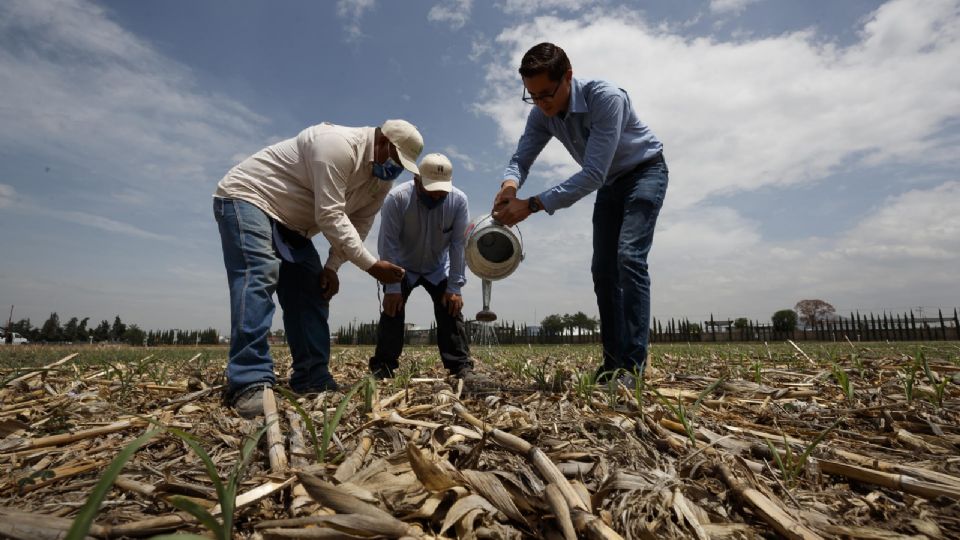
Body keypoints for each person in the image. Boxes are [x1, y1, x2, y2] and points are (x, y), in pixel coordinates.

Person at [214, 119, 423, 418]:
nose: (396, 169)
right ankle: (249, 381)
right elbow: (330, 215)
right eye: (396, 159)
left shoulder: (380, 183)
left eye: (403, 166)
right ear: (382, 141)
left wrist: (333, 267)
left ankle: (312, 377)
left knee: (312, 292)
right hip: (250, 198)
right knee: (258, 276)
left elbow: (359, 224)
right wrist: (371, 265)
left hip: (294, 225)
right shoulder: (336, 145)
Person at [492, 42, 668, 385]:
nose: (542, 104)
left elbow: (592, 174)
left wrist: (531, 205)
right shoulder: (541, 114)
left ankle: (633, 369)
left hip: (644, 172)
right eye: (532, 96)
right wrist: (510, 186)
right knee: (602, 270)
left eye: (546, 94)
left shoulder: (606, 98)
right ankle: (612, 365)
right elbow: (521, 157)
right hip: (610, 184)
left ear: (568, 77)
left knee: (628, 257)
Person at [369, 153, 483, 385]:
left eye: (442, 191)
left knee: (450, 308)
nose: (438, 196)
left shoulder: (458, 200)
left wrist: (455, 287)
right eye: (432, 190)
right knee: (393, 310)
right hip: (400, 265)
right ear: (416, 180)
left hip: (437, 266)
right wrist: (392, 288)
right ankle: (383, 368)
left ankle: (460, 365)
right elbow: (387, 243)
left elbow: (458, 245)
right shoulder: (397, 199)